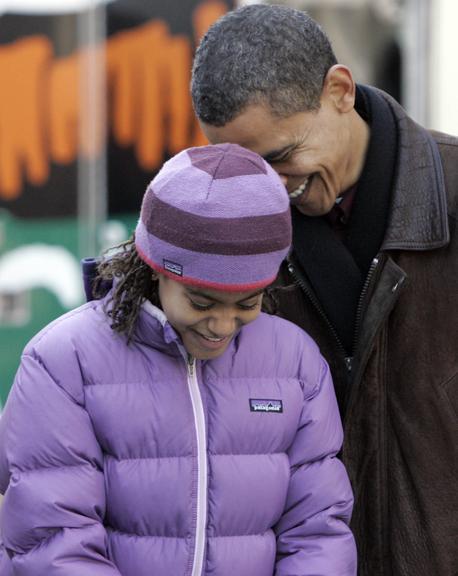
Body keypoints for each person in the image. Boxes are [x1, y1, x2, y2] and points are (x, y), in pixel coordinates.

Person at [0, 144, 357, 575]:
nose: (222, 325)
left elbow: (317, 532)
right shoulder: (62, 362)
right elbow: (53, 542)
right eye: (201, 301)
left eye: (247, 303)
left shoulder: (297, 364)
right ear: (154, 267)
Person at [191, 5, 458, 576]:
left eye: (282, 157)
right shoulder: (216, 230)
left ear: (339, 89)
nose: (269, 187)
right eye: (241, 165)